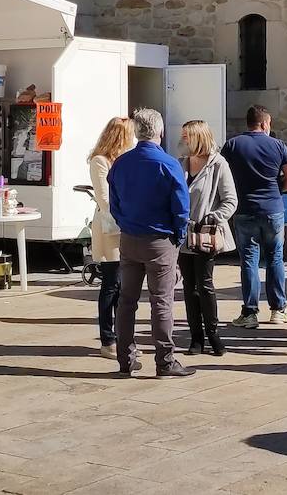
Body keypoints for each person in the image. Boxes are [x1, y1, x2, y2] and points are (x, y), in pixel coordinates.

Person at [107, 108, 193, 378]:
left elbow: (115, 202)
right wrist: (177, 236)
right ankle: (165, 361)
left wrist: (125, 224)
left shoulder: (121, 163)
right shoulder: (168, 164)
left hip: (130, 238)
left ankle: (125, 359)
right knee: (162, 302)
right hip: (159, 239)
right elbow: (181, 207)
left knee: (126, 301)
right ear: (160, 131)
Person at [221, 105, 287, 329]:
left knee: (248, 260)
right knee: (275, 258)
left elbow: (221, 174)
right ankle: (278, 309)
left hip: (244, 209)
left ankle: (249, 312)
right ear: (265, 123)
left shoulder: (232, 145)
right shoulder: (277, 145)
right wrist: (278, 190)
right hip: (272, 208)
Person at [178, 120, 238, 356]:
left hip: (206, 235)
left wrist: (213, 217)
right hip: (183, 235)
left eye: (186, 136)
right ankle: (196, 338)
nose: (182, 139)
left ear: (197, 137)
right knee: (188, 286)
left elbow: (231, 200)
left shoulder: (218, 164)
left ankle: (214, 335)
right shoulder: (180, 163)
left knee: (205, 285)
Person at [87, 117, 135, 359]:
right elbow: (104, 199)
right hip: (111, 229)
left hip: (127, 227)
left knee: (125, 286)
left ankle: (122, 335)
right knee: (111, 284)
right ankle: (108, 339)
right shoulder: (100, 161)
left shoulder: (126, 160)